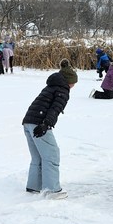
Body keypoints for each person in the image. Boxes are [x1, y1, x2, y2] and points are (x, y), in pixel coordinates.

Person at [22, 59, 77, 198]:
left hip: (28, 121)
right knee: (52, 154)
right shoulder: (63, 90)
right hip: (38, 122)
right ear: (69, 81)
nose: (74, 86)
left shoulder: (51, 86)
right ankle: (52, 190)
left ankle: (34, 186)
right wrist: (45, 125)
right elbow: (55, 109)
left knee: (38, 157)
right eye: (74, 83)